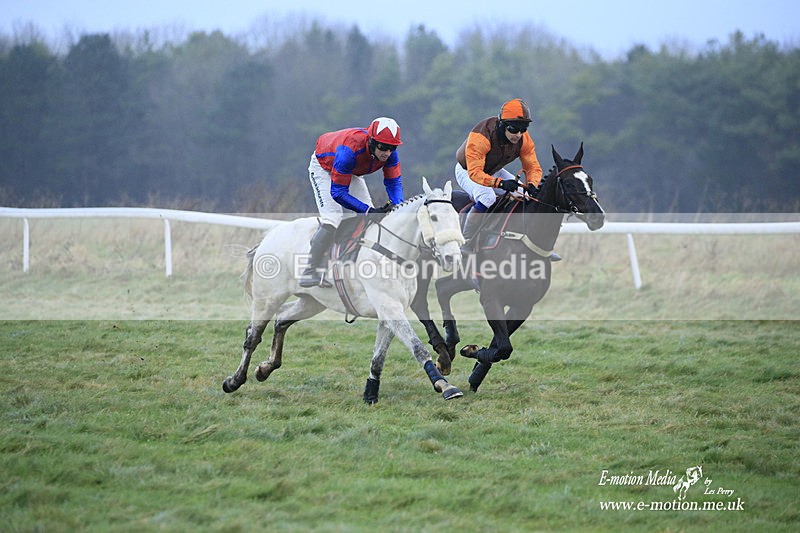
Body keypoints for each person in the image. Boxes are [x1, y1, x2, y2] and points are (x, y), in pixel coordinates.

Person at [299, 117, 405, 287]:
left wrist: (399, 206)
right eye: (382, 147)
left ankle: (350, 261)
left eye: (392, 148)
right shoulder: (349, 150)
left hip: (351, 170)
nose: (387, 152)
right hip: (324, 167)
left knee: (368, 218)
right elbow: (338, 193)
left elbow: (393, 183)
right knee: (333, 218)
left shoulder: (390, 155)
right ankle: (310, 271)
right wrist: (368, 211)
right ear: (371, 142)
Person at [455, 98, 560, 259]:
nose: (518, 134)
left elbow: (533, 167)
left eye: (523, 129)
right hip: (467, 171)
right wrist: (501, 183)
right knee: (487, 197)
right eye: (513, 129)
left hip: (494, 170)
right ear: (502, 124)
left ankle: (537, 246)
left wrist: (532, 184)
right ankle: (466, 240)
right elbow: (475, 173)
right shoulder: (481, 136)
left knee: (526, 195)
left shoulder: (523, 139)